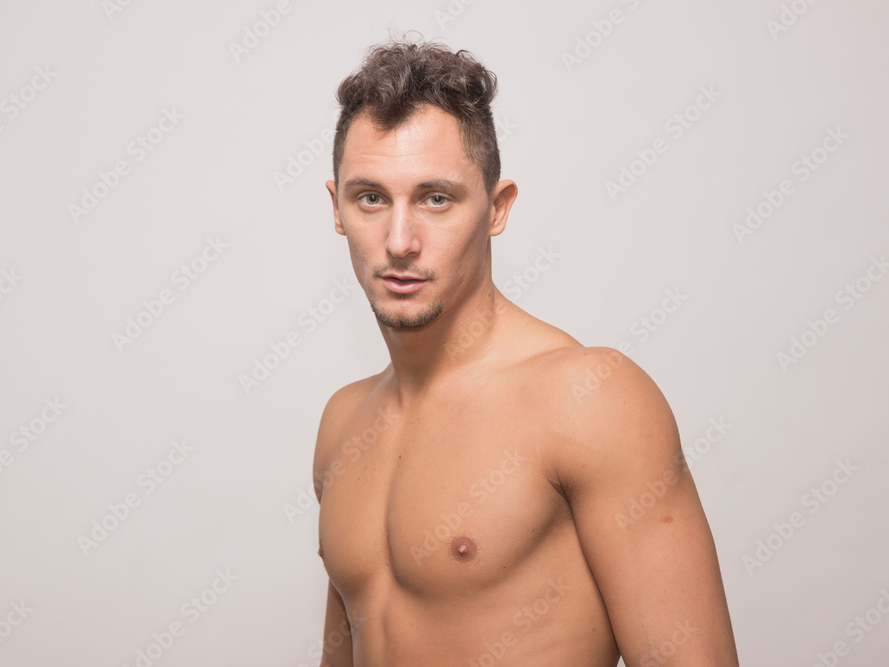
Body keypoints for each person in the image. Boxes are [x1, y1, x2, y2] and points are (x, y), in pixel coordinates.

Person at [312, 37, 739, 666]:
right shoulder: (342, 422)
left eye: (436, 198)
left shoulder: (589, 399)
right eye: (371, 197)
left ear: (497, 208)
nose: (399, 241)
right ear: (339, 208)